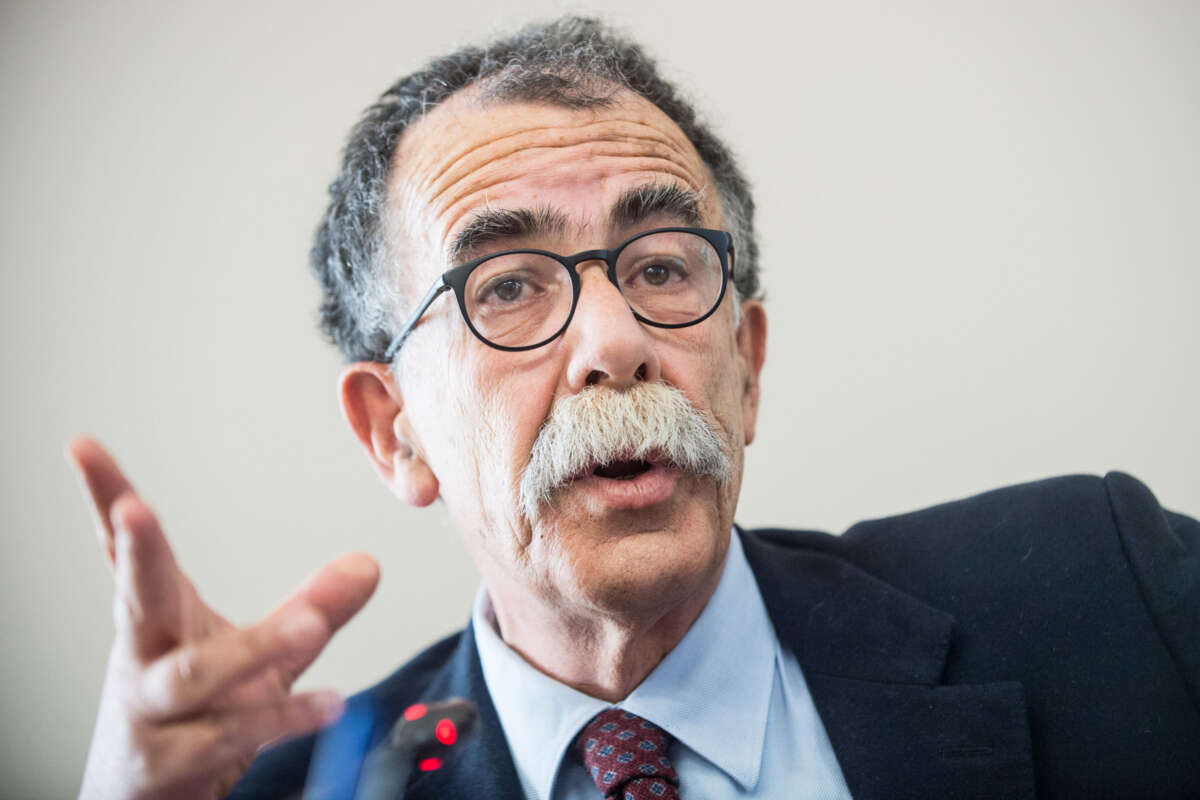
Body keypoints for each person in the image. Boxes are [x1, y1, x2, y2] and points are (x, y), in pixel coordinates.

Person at [72, 16, 1198, 800]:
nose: (615, 343)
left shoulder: (1107, 587)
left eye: (662, 266)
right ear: (392, 428)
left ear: (746, 363)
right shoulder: (287, 786)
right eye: (506, 287)